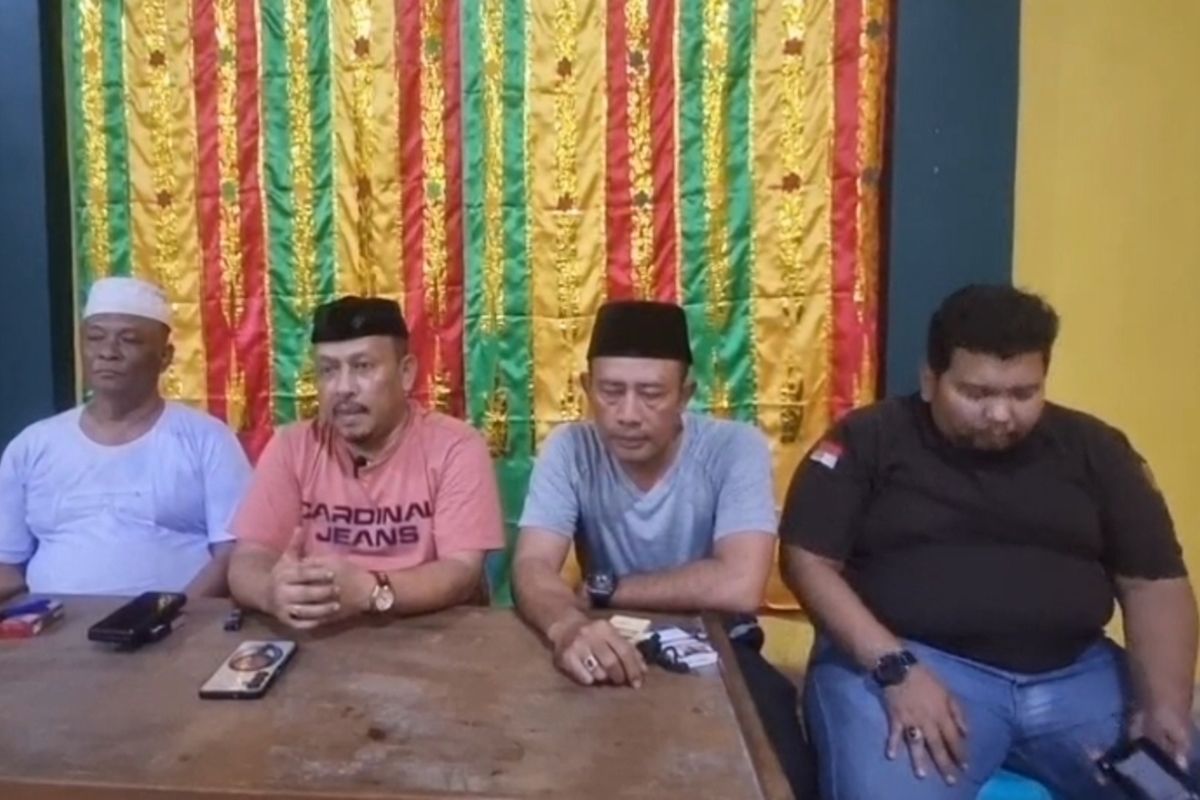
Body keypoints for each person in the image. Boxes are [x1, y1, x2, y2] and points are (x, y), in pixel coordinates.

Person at [782, 284, 1199, 800]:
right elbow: (807, 561)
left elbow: (1154, 583)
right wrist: (894, 667)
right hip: (910, 665)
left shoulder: (1097, 450)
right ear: (930, 380)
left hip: (1076, 675)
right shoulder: (868, 439)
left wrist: (1164, 705)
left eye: (1023, 394)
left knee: (1172, 784)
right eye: (977, 394)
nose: (1001, 413)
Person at [513, 300, 815, 797]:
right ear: (587, 388)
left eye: (651, 394)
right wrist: (568, 626)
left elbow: (740, 584)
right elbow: (531, 565)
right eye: (611, 392)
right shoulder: (570, 448)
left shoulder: (733, 448)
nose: (628, 414)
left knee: (780, 773)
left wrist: (607, 589)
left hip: (720, 644)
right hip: (606, 639)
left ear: (686, 394)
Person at [227, 296, 504, 627]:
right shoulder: (292, 446)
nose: (343, 388)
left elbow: (461, 571)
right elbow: (248, 558)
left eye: (362, 367)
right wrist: (269, 593)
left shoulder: (456, 446)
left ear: (406, 374)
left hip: (433, 631)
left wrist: (371, 591)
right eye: (328, 370)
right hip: (322, 632)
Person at [0, 276, 251, 601]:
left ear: (165, 357)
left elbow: (234, 554)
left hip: (181, 624)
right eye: (95, 338)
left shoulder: (207, 439)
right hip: (52, 624)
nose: (108, 352)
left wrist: (174, 613)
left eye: (129, 340)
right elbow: (7, 564)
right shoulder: (33, 445)